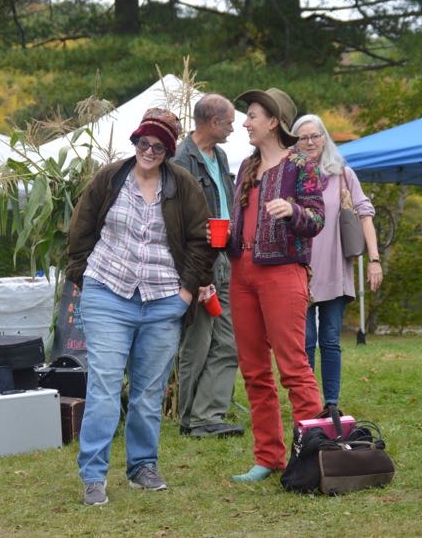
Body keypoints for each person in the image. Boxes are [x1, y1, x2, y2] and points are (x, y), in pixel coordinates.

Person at [67, 107, 216, 506]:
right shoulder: (110, 178)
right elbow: (79, 231)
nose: (148, 150)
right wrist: (85, 279)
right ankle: (94, 476)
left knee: (148, 392)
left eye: (158, 146)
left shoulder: (183, 185)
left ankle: (142, 467)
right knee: (103, 387)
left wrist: (186, 292)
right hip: (108, 293)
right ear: (135, 142)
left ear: (168, 151)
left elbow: (202, 242)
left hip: (162, 299)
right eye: (142, 142)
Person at [226, 88, 325, 482]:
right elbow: (241, 221)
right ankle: (268, 456)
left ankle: (313, 456)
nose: (245, 122)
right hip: (241, 272)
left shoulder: (301, 164)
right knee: (253, 371)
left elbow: (316, 219)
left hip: (283, 272)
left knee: (294, 367)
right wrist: (221, 237)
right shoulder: (246, 167)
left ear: (273, 121)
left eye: (251, 115)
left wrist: (293, 210)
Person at [292, 114, 383, 406]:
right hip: (299, 269)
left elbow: (365, 214)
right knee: (304, 343)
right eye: (303, 137)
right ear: (295, 142)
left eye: (314, 136)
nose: (309, 142)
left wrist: (374, 259)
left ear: (324, 138)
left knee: (330, 340)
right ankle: (308, 404)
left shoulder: (342, 174)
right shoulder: (289, 175)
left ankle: (331, 402)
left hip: (334, 267)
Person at [171, 94, 243, 439]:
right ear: (213, 122)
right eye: (229, 122)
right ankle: (192, 419)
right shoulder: (181, 160)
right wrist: (196, 276)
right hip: (200, 263)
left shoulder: (222, 155)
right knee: (197, 343)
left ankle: (208, 414)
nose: (234, 127)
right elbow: (177, 225)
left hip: (226, 259)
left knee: (229, 342)